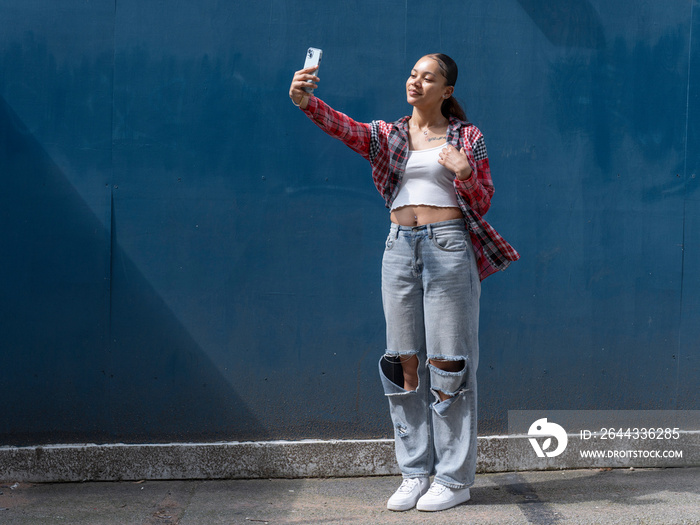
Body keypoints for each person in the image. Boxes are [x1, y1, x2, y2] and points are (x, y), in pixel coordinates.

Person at [289, 53, 519, 512]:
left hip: (449, 247)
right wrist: (305, 102)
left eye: (427, 77)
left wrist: (465, 172)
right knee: (401, 362)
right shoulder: (389, 135)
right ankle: (415, 472)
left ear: (447, 90)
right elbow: (344, 127)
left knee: (449, 363)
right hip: (399, 248)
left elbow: (485, 197)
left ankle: (454, 479)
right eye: (413, 74)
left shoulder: (466, 137)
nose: (416, 81)